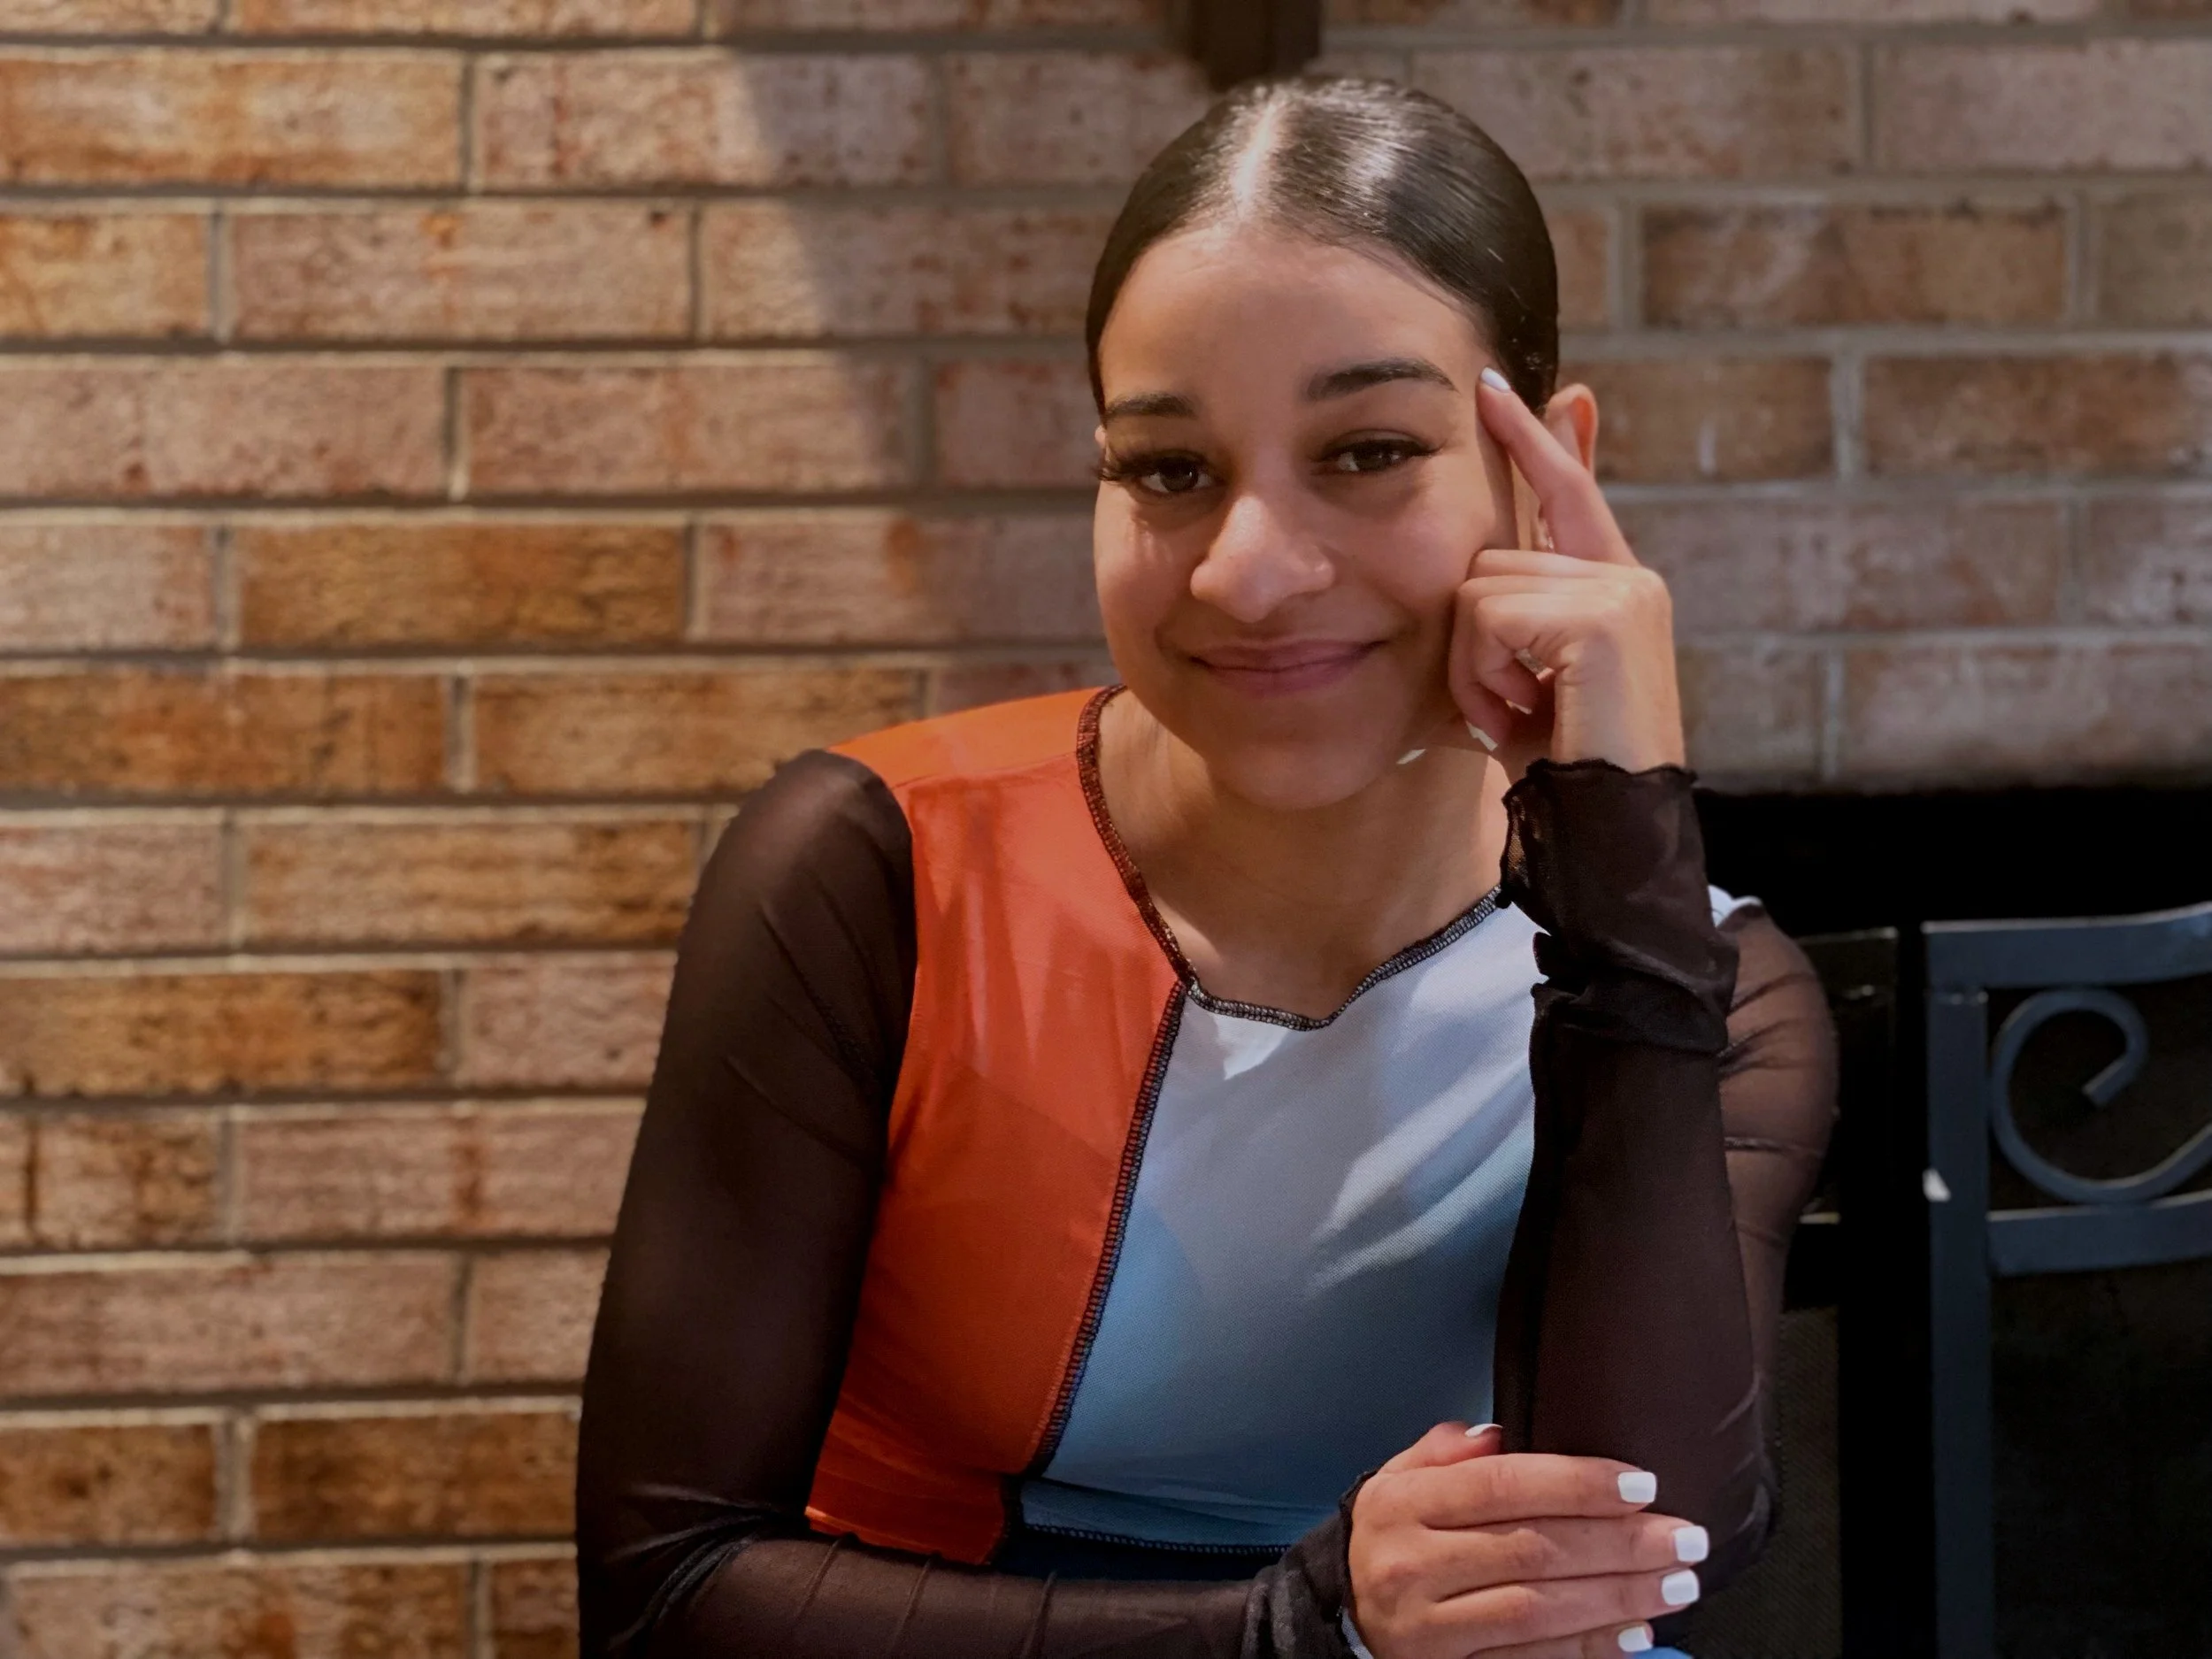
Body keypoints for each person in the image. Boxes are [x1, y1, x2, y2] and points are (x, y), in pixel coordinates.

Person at [574, 75, 1837, 1659]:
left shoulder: (1712, 982)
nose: (1248, 573)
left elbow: (1643, 1550)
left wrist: (1623, 842)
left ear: (1545, 473)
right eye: (1170, 469)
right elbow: (663, 1595)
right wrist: (1293, 1631)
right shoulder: (875, 874)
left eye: (1368, 449)